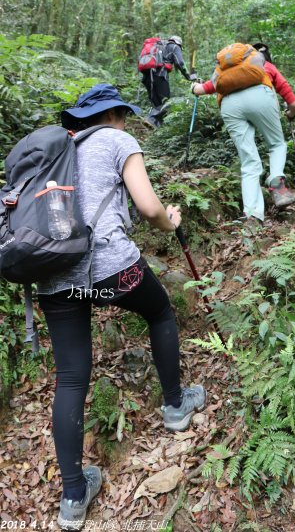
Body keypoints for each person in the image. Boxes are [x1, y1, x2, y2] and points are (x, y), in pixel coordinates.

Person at [37, 83, 206, 531]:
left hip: (58, 281)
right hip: (112, 271)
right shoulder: (118, 140)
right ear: (113, 114)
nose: (127, 121)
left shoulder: (58, 149)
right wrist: (169, 221)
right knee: (160, 313)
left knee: (71, 377)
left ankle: (73, 497)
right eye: (124, 114)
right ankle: (175, 406)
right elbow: (148, 206)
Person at [191, 44, 295, 226]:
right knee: (276, 144)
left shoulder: (226, 73)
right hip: (261, 99)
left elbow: (204, 88)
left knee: (248, 161)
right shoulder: (264, 66)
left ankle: (252, 215)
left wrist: (194, 87)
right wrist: (291, 113)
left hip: (229, 105)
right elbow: (293, 102)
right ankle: (276, 183)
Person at [142, 35, 197, 127]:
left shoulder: (158, 46)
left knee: (157, 102)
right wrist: (189, 77)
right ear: (179, 43)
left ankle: (156, 126)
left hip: (146, 76)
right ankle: (151, 118)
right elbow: (180, 63)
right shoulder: (174, 47)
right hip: (160, 75)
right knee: (166, 101)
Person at [252, 42, 295, 120]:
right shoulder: (268, 67)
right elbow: (294, 105)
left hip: (233, 108)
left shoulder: (243, 71)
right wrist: (290, 114)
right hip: (263, 106)